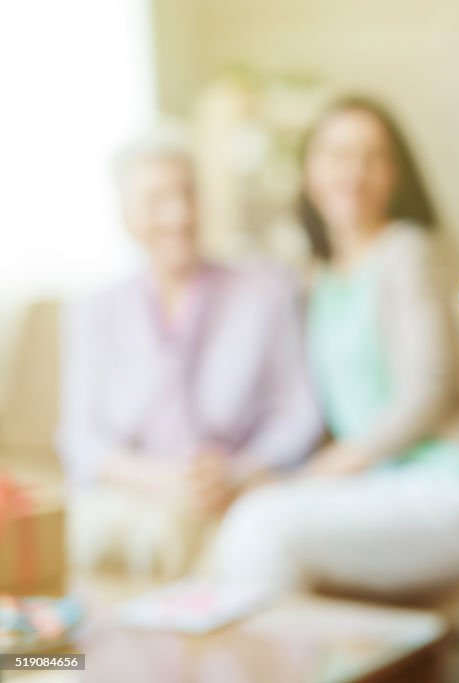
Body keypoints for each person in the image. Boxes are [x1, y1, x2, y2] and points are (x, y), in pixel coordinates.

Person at [212, 97, 459, 597]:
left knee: (263, 527)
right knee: (250, 518)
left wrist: (329, 469)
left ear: (396, 176)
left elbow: (428, 392)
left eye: (374, 157)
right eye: (338, 155)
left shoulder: (406, 250)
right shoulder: (317, 277)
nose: (355, 172)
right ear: (309, 170)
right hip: (388, 484)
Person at [58, 124, 323, 577]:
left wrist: (238, 472)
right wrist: (163, 481)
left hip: (237, 489)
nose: (178, 215)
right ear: (125, 214)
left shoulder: (266, 290)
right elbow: (80, 439)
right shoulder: (92, 311)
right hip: (138, 494)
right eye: (156, 200)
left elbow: (298, 415)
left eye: (188, 194)